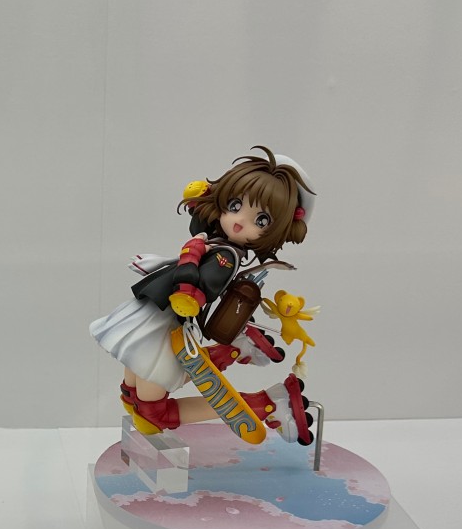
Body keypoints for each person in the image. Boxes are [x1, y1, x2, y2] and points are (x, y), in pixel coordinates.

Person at [90, 147, 313, 438]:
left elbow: (199, 288)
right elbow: (201, 228)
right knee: (131, 395)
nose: (239, 221)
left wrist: (191, 256)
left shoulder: (227, 257)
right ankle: (238, 349)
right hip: (154, 316)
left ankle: (269, 403)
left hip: (163, 321)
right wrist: (200, 202)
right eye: (235, 205)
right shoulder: (219, 242)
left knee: (151, 415)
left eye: (260, 221)